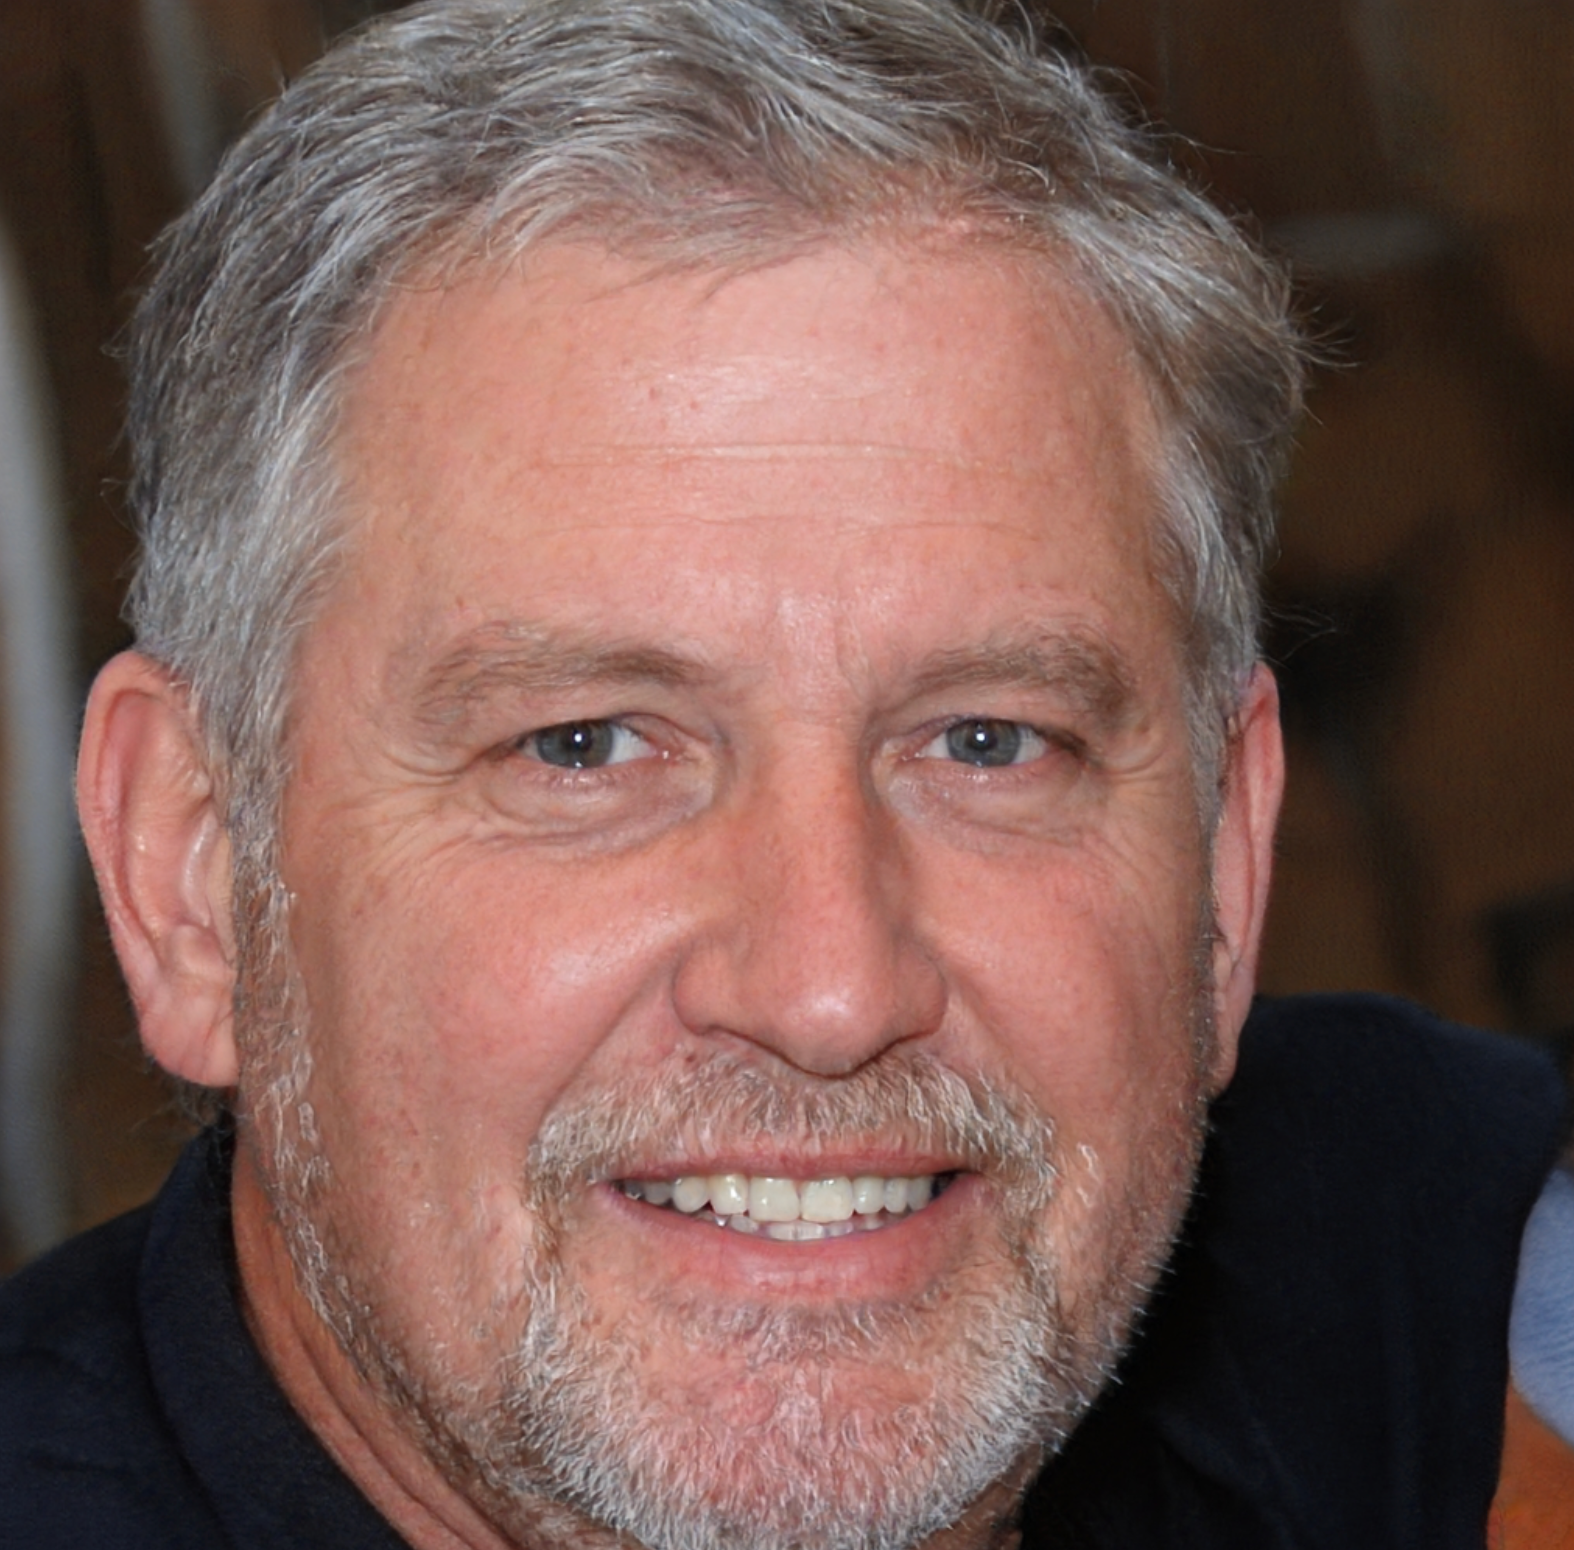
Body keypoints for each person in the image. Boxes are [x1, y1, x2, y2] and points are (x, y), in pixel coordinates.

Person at [0, 2, 1563, 1546]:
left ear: (1222, 865)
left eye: (987, 740)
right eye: (584, 746)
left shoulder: (1410, 1262)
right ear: (192, 873)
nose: (830, 990)